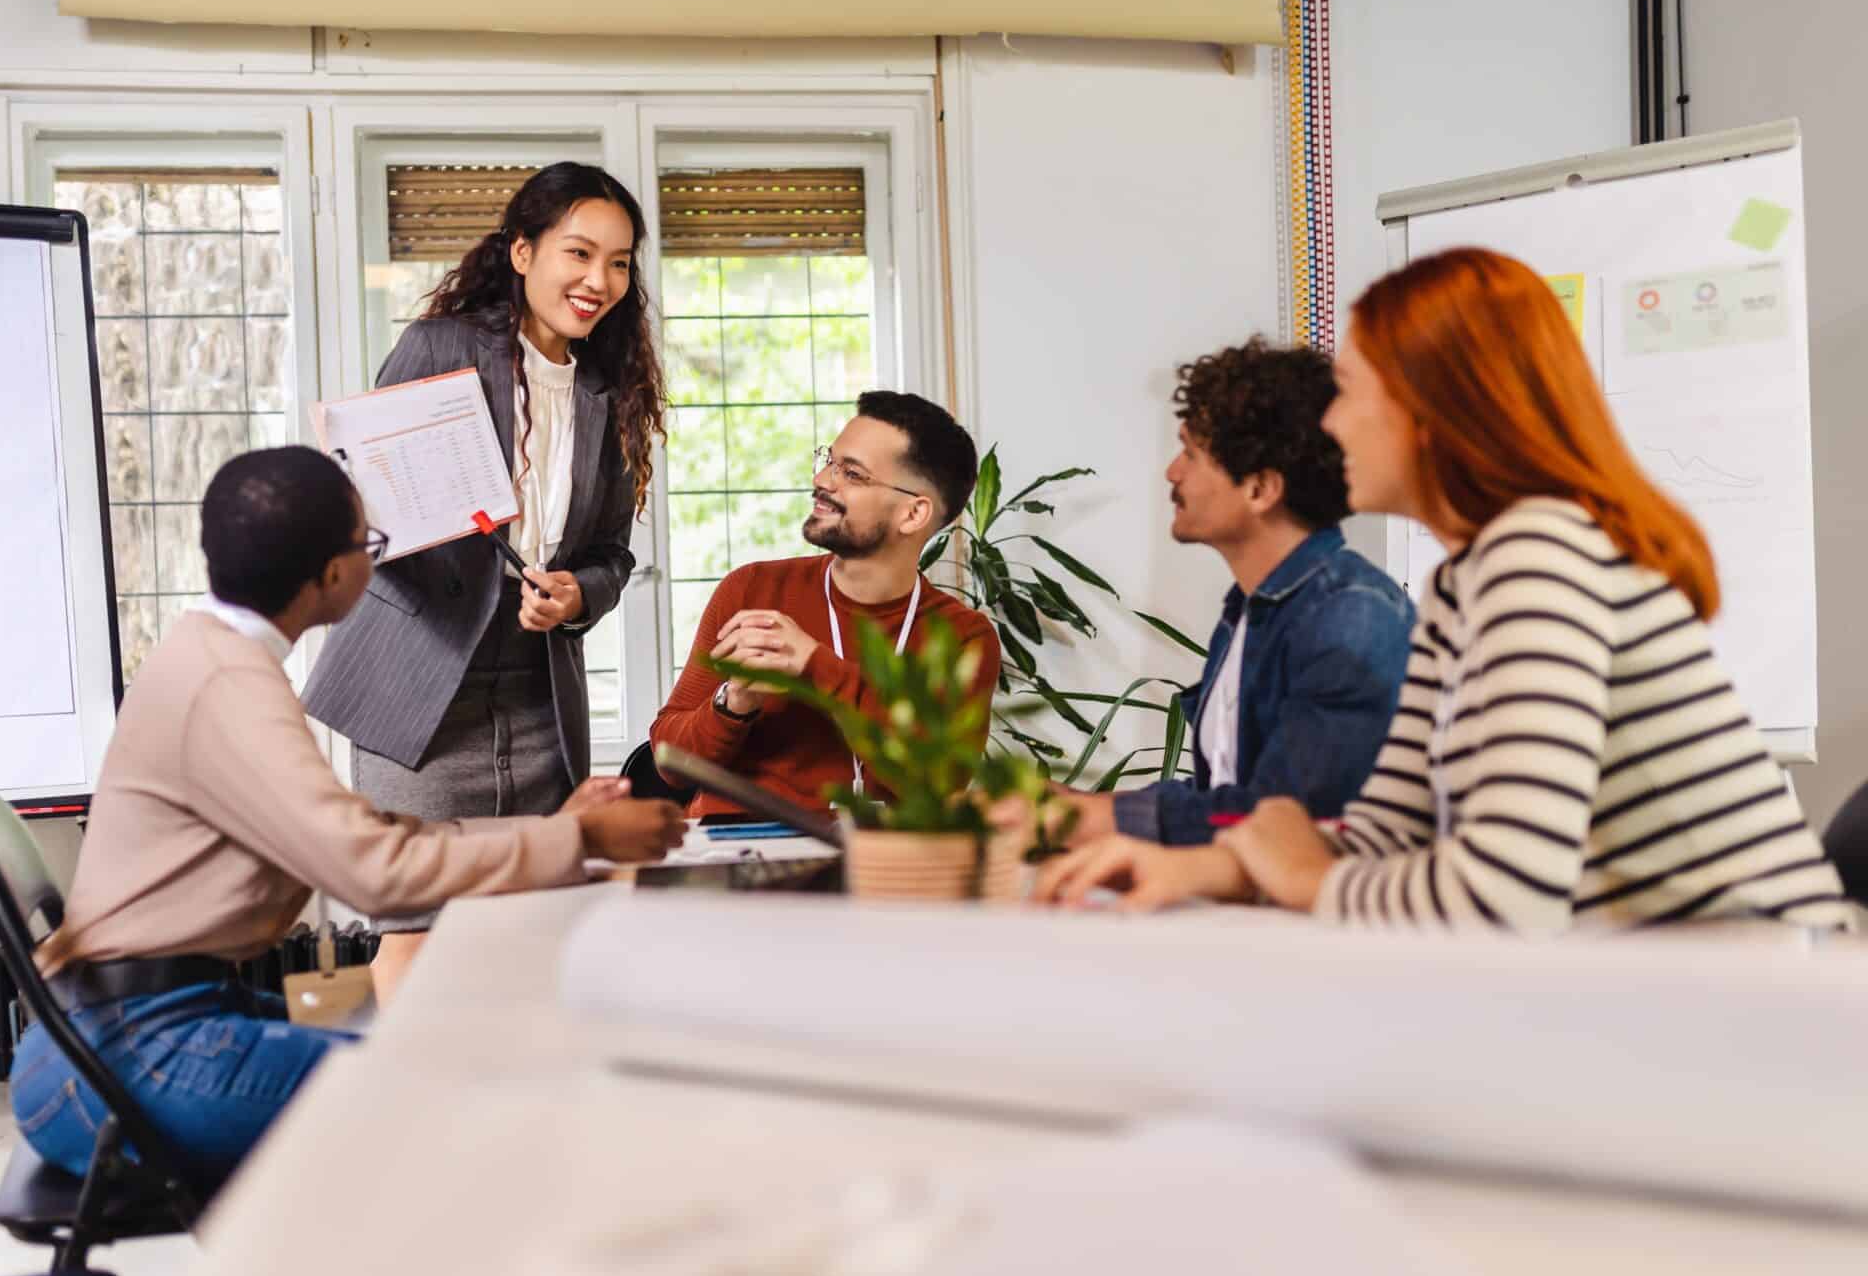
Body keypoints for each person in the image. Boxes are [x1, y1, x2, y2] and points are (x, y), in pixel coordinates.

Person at [1040, 249, 1854, 934]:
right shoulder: (1468, 579)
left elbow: (1499, 895)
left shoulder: (1539, 554)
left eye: (1352, 392)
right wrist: (1210, 867)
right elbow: (1394, 833)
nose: (1330, 426)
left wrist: (1300, 880)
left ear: (1430, 409)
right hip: (1676, 1003)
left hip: (1776, 1016)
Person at [11, 449, 684, 1183]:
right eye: (369, 546)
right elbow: (374, 873)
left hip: (110, 1033)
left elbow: (364, 833)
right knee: (452, 1110)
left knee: (447, 1069)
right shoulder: (231, 686)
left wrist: (556, 831)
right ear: (333, 578)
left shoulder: (205, 651)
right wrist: (575, 838)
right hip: (126, 1060)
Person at [302, 162, 667, 991]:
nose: (598, 280)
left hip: (537, 685)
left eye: (618, 262)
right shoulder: (443, 345)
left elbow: (612, 551)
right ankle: (413, 1113)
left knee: (532, 916)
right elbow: (365, 504)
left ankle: (510, 1105)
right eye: (578, 253)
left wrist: (580, 594)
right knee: (418, 928)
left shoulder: (612, 390)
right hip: (425, 682)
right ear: (522, 251)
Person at [1048, 338, 1412, 849]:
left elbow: (1292, 823)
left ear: (1260, 489)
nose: (1172, 472)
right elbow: (1226, 799)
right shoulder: (1249, 609)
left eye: (1191, 454)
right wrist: (1082, 806)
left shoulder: (1351, 617)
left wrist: (1094, 819)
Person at [649, 391, 999, 817]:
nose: (822, 480)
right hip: (736, 860)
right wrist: (734, 702)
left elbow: (938, 781)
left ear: (913, 514)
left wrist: (816, 667)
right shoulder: (752, 589)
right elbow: (670, 765)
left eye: (852, 473)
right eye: (828, 461)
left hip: (877, 866)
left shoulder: (962, 636)